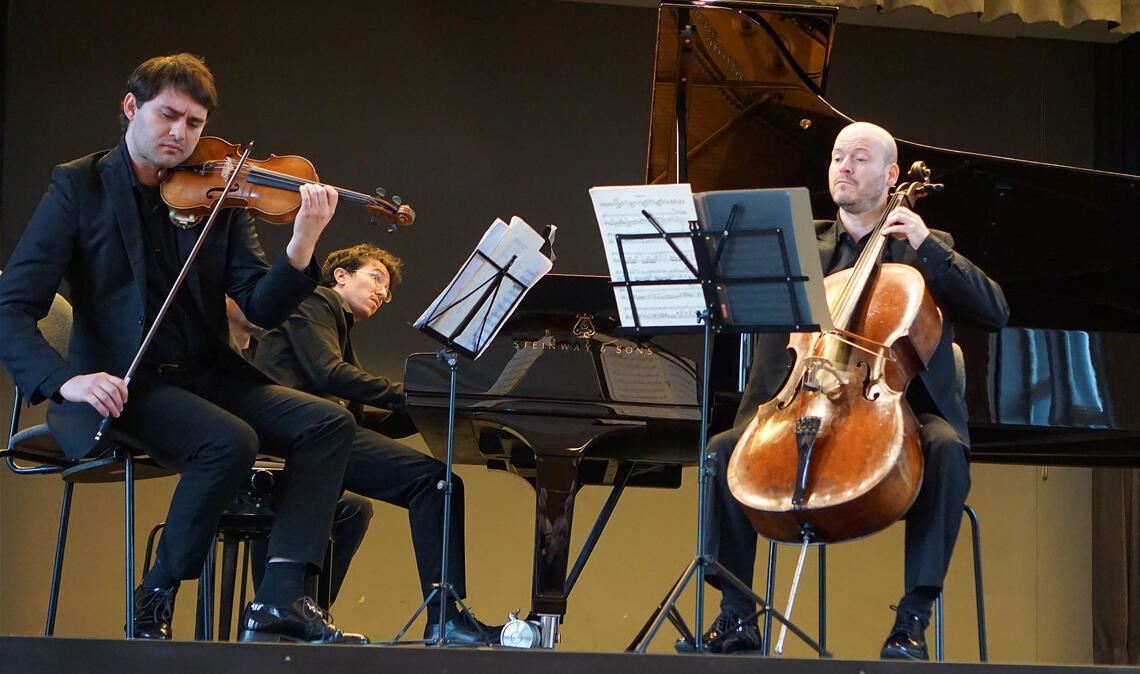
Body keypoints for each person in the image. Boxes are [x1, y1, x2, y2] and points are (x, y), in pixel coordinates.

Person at [0, 54, 367, 644]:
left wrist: (301, 246)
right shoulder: (79, 186)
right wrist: (66, 380)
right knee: (230, 441)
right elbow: (12, 307)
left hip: (204, 377)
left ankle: (279, 601)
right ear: (131, 108)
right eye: (168, 116)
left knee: (326, 423)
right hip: (122, 385)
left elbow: (260, 306)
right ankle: (155, 596)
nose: (181, 134)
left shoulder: (218, 195)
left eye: (194, 124)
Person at [685, 122, 1009, 659]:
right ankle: (737, 616)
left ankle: (911, 622)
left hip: (895, 411)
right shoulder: (798, 244)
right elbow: (747, 315)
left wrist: (927, 245)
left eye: (860, 158)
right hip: (796, 403)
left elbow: (994, 311)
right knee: (720, 453)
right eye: (839, 157)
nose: (845, 167)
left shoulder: (923, 249)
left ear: (891, 175)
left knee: (949, 451)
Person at [253, 243, 503, 645]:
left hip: (315, 434)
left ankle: (301, 615)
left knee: (362, 508)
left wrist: (427, 408)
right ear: (341, 275)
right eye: (376, 278)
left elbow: (362, 417)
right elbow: (328, 374)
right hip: (298, 434)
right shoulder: (314, 300)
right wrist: (412, 393)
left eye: (386, 291)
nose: (382, 294)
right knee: (436, 484)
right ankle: (444, 618)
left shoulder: (334, 326)